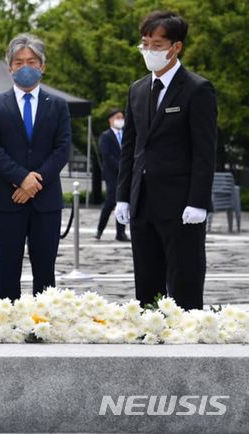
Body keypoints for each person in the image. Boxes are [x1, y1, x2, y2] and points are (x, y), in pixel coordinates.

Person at [116, 11, 217, 310]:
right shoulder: (137, 89)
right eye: (145, 43)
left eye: (157, 45)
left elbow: (204, 151)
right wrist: (123, 196)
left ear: (176, 47)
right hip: (142, 201)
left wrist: (198, 201)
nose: (149, 51)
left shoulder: (197, 89)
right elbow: (130, 148)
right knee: (147, 281)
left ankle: (186, 341)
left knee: (184, 278)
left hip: (180, 204)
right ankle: (150, 335)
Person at [0, 34, 71, 305]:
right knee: (7, 267)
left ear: (42, 66)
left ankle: (45, 320)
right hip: (7, 198)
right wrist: (21, 178)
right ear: (10, 67)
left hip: (46, 199)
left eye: (31, 61)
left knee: (45, 267)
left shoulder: (57, 105)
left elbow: (62, 148)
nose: (25, 67)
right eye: (18, 62)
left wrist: (34, 182)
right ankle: (6, 321)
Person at [95, 108, 129, 241]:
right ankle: (100, 229)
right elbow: (107, 155)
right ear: (111, 119)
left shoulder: (126, 135)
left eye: (122, 117)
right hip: (112, 175)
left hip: (124, 175)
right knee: (110, 202)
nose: (121, 120)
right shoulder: (106, 136)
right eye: (118, 117)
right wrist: (121, 167)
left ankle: (120, 233)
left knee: (123, 201)